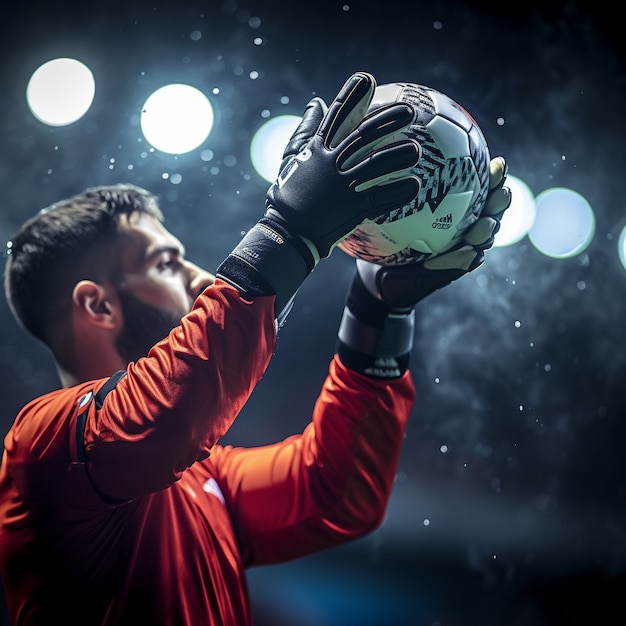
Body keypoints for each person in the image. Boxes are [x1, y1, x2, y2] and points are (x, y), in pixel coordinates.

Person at [0, 71, 510, 625]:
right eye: (165, 263)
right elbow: (168, 417)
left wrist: (377, 310)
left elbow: (337, 495)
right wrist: (288, 232)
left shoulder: (207, 479)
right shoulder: (43, 444)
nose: (199, 277)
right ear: (98, 306)